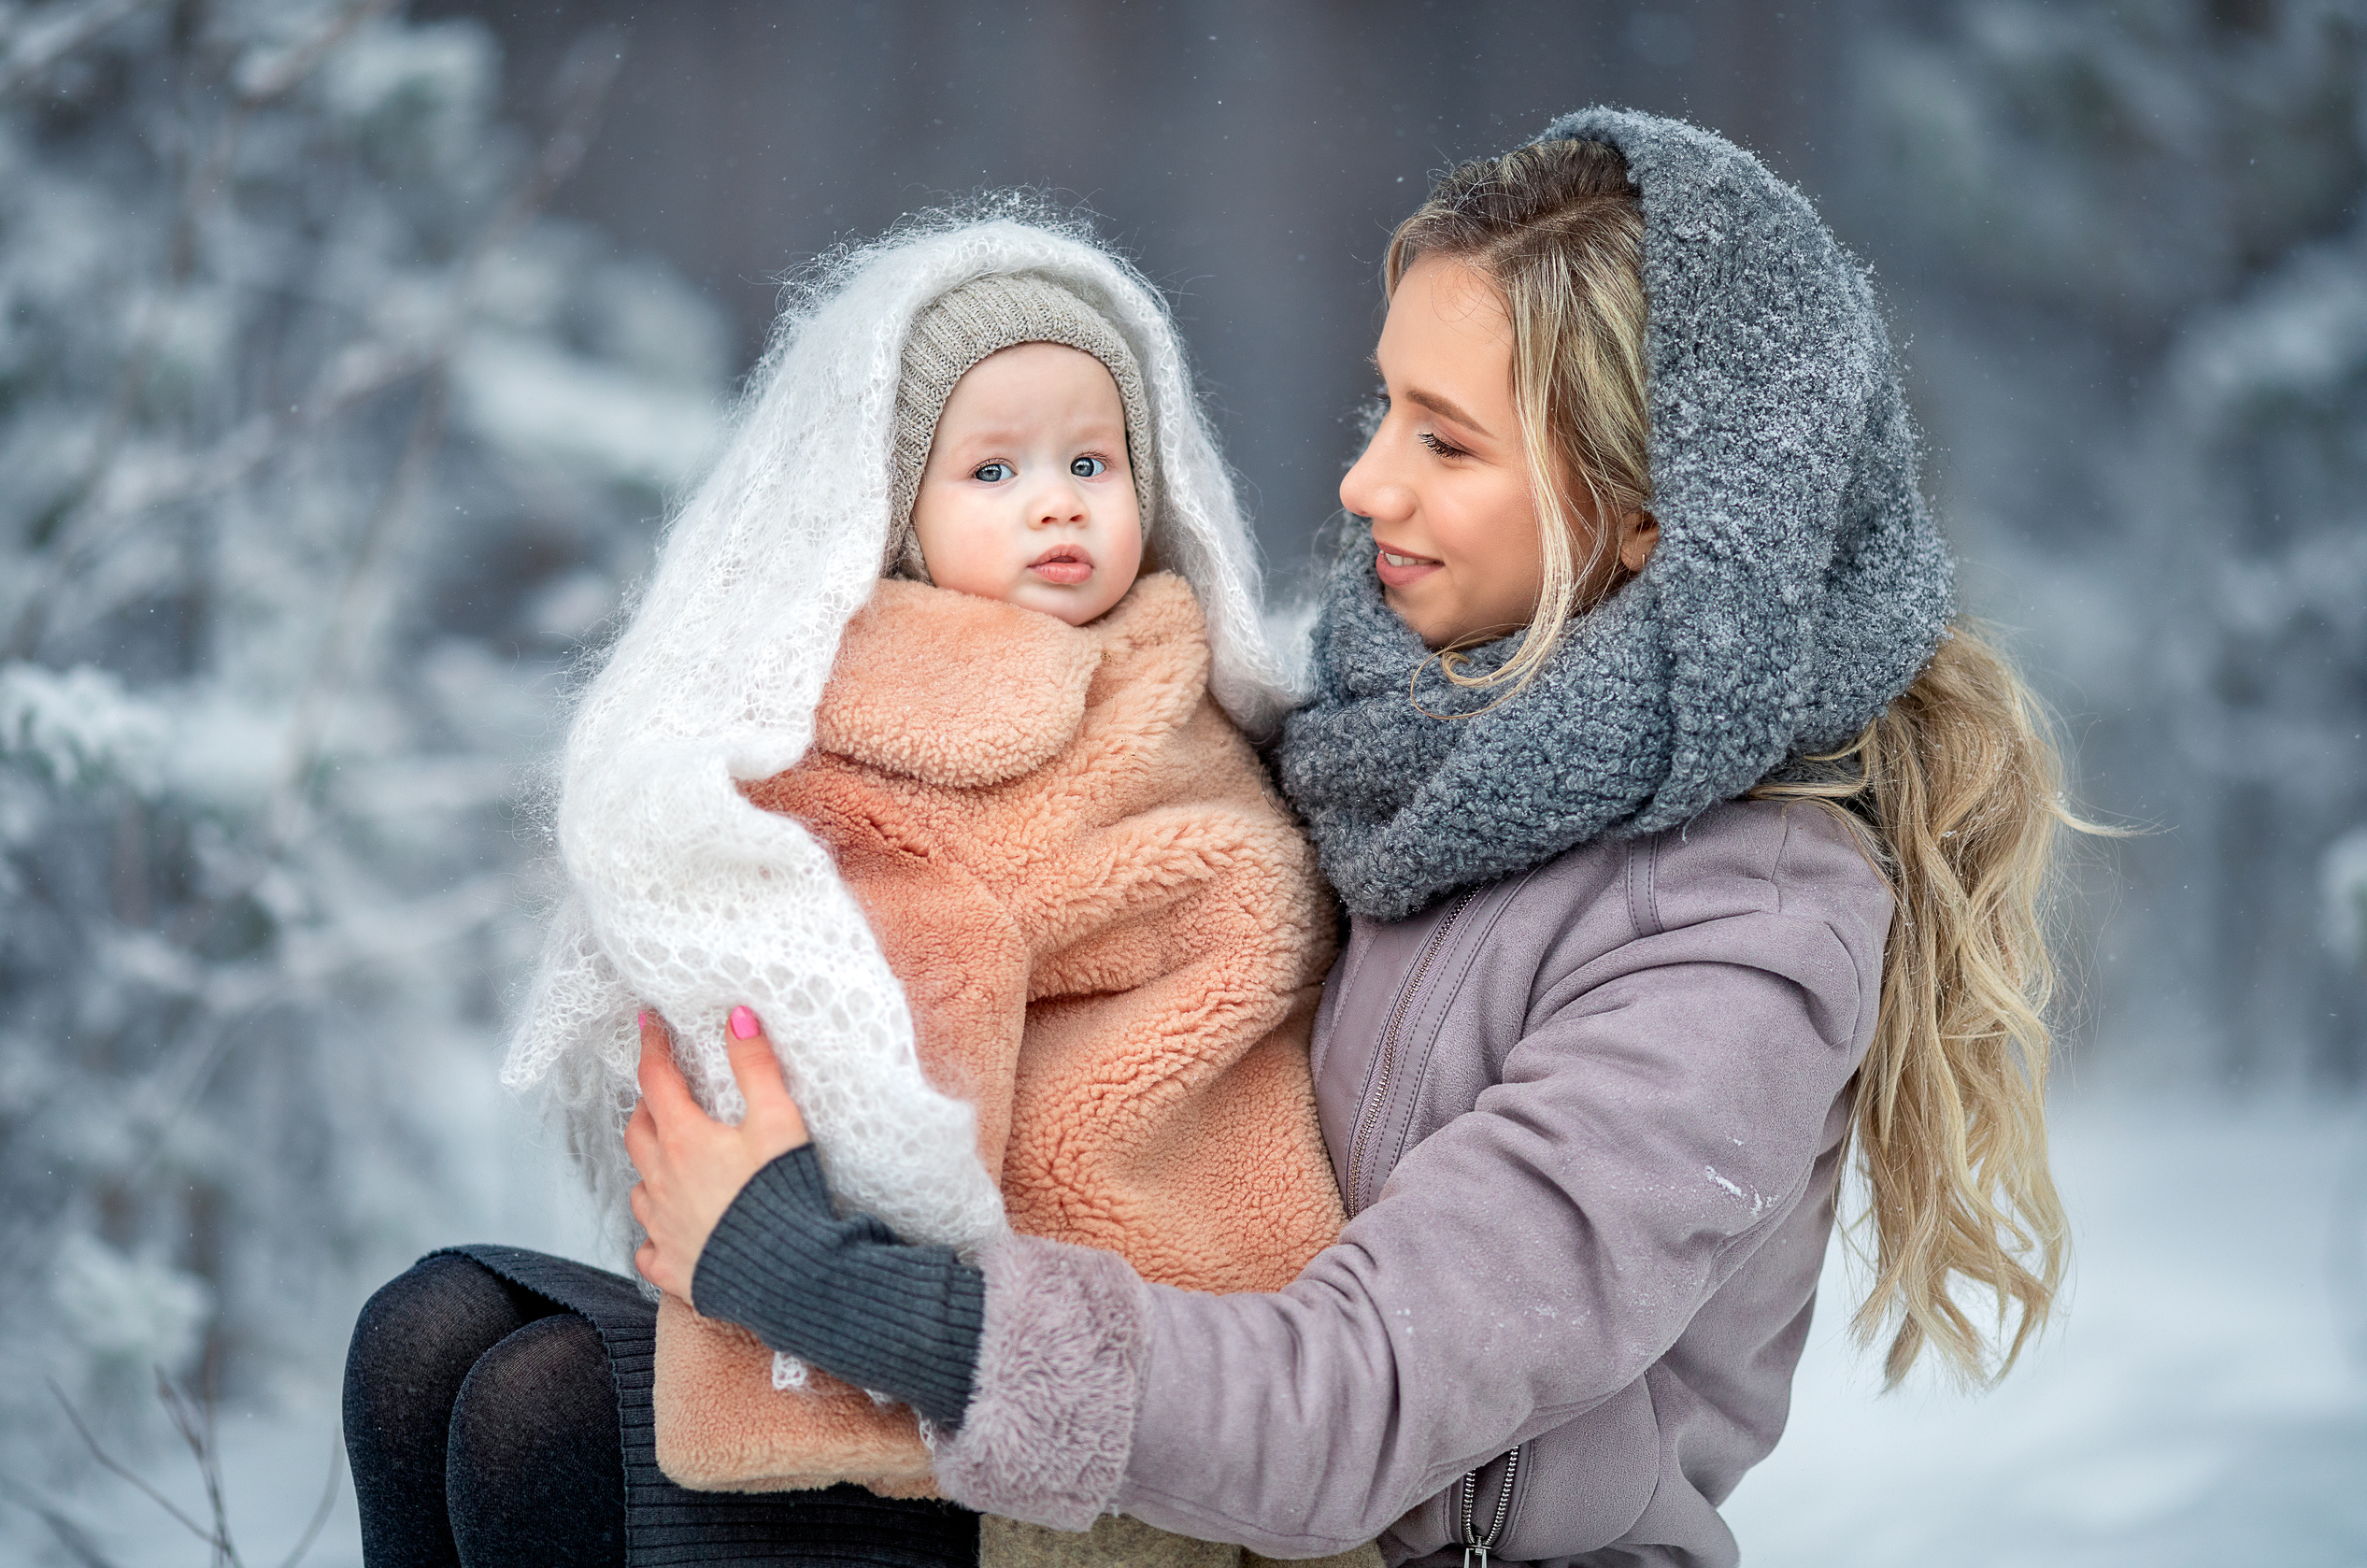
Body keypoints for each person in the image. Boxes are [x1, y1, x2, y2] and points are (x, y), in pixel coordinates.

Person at [620, 107, 2080, 1568]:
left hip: (1372, 1534)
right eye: (1383, 409)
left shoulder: (1743, 931)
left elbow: (1361, 1403)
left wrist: (837, 1290)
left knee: (555, 1421)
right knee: (457, 1344)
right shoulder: (1390, 740)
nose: (1365, 484)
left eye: (1445, 441)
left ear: (1652, 521)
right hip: (1158, 1449)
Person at [341, 215, 1347, 1567]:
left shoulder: (1176, 712)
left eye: (1091, 461)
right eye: (993, 467)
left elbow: (1186, 957)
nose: (1056, 500)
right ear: (894, 516)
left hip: (1046, 1359)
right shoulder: (832, 702)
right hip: (834, 1280)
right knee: (426, 1328)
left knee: (535, 1416)